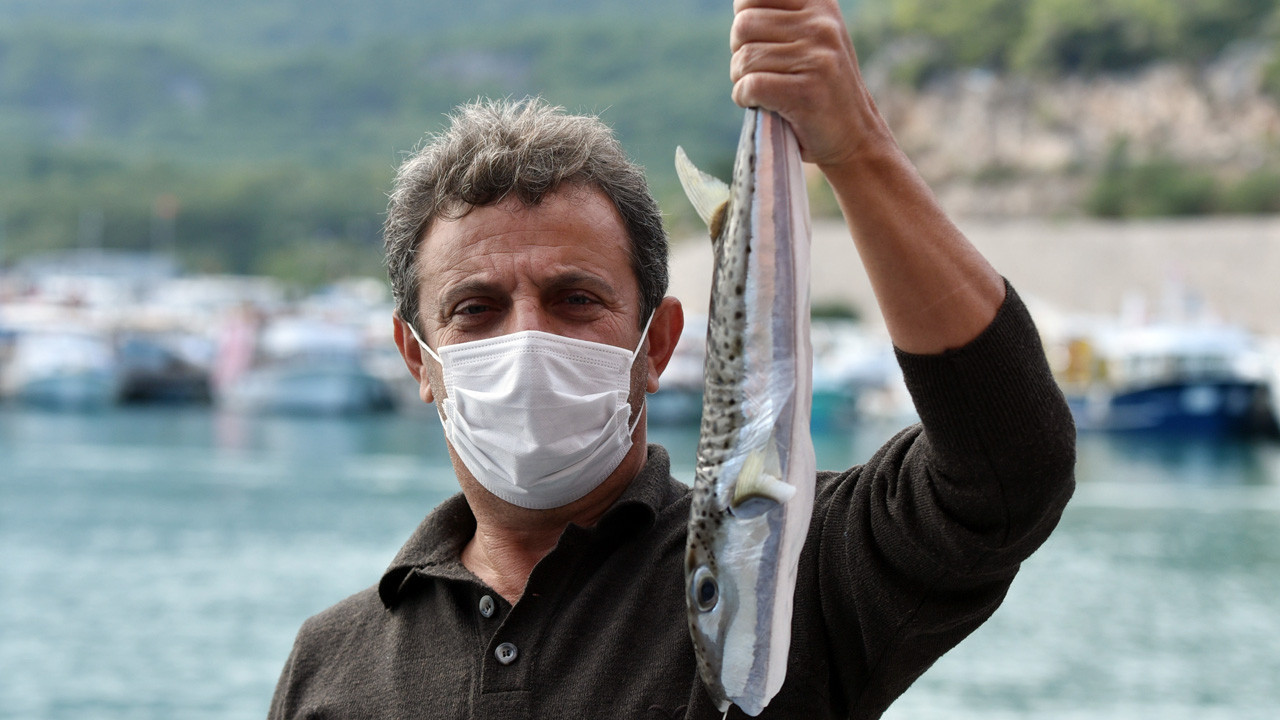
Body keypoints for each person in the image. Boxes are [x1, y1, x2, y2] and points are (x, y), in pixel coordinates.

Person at [267, 0, 1076, 717]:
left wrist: (855, 145)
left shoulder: (787, 560)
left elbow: (1008, 472)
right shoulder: (330, 665)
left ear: (656, 344)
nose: (527, 340)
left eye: (576, 299)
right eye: (475, 309)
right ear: (417, 358)